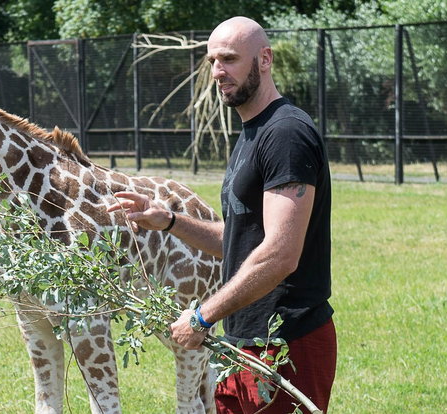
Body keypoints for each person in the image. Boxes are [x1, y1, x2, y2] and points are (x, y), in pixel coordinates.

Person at [108, 16, 335, 414]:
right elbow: (240, 239)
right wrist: (170, 221)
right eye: (213, 60)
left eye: (229, 59)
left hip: (286, 342)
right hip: (242, 340)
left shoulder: (285, 134)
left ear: (264, 60)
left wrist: (201, 316)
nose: (218, 72)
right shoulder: (252, 132)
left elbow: (281, 254)